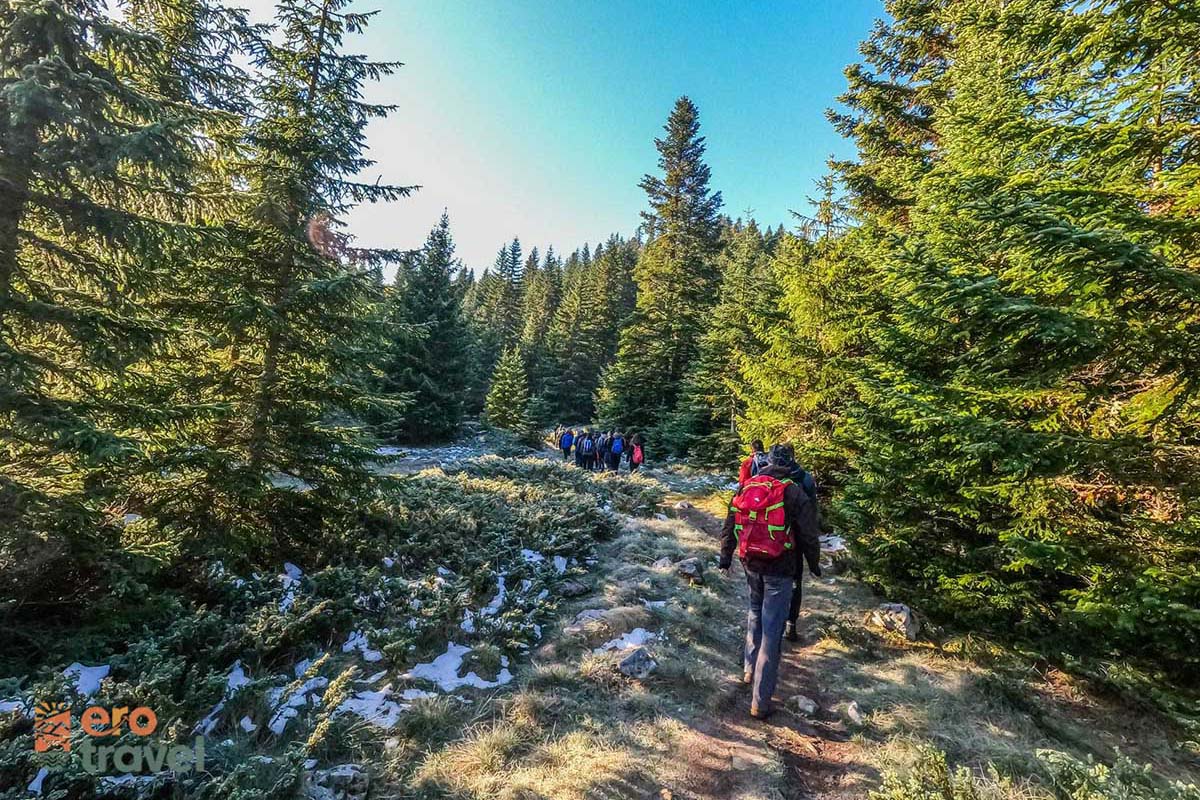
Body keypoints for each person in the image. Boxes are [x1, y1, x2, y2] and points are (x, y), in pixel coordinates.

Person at [719, 445, 821, 719]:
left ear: (767, 462)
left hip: (750, 563)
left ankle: (748, 669)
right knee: (772, 630)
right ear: (790, 463)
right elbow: (809, 534)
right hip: (781, 566)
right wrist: (814, 564)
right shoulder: (793, 491)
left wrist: (726, 558)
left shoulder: (747, 486)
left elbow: (730, 524)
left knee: (755, 611)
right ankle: (760, 702)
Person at [779, 444, 819, 642]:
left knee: (770, 581)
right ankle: (791, 624)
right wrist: (814, 562)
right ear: (793, 456)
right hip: (796, 542)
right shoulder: (805, 479)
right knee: (795, 582)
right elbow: (811, 518)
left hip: (771, 539)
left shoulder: (765, 479)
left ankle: (770, 624)